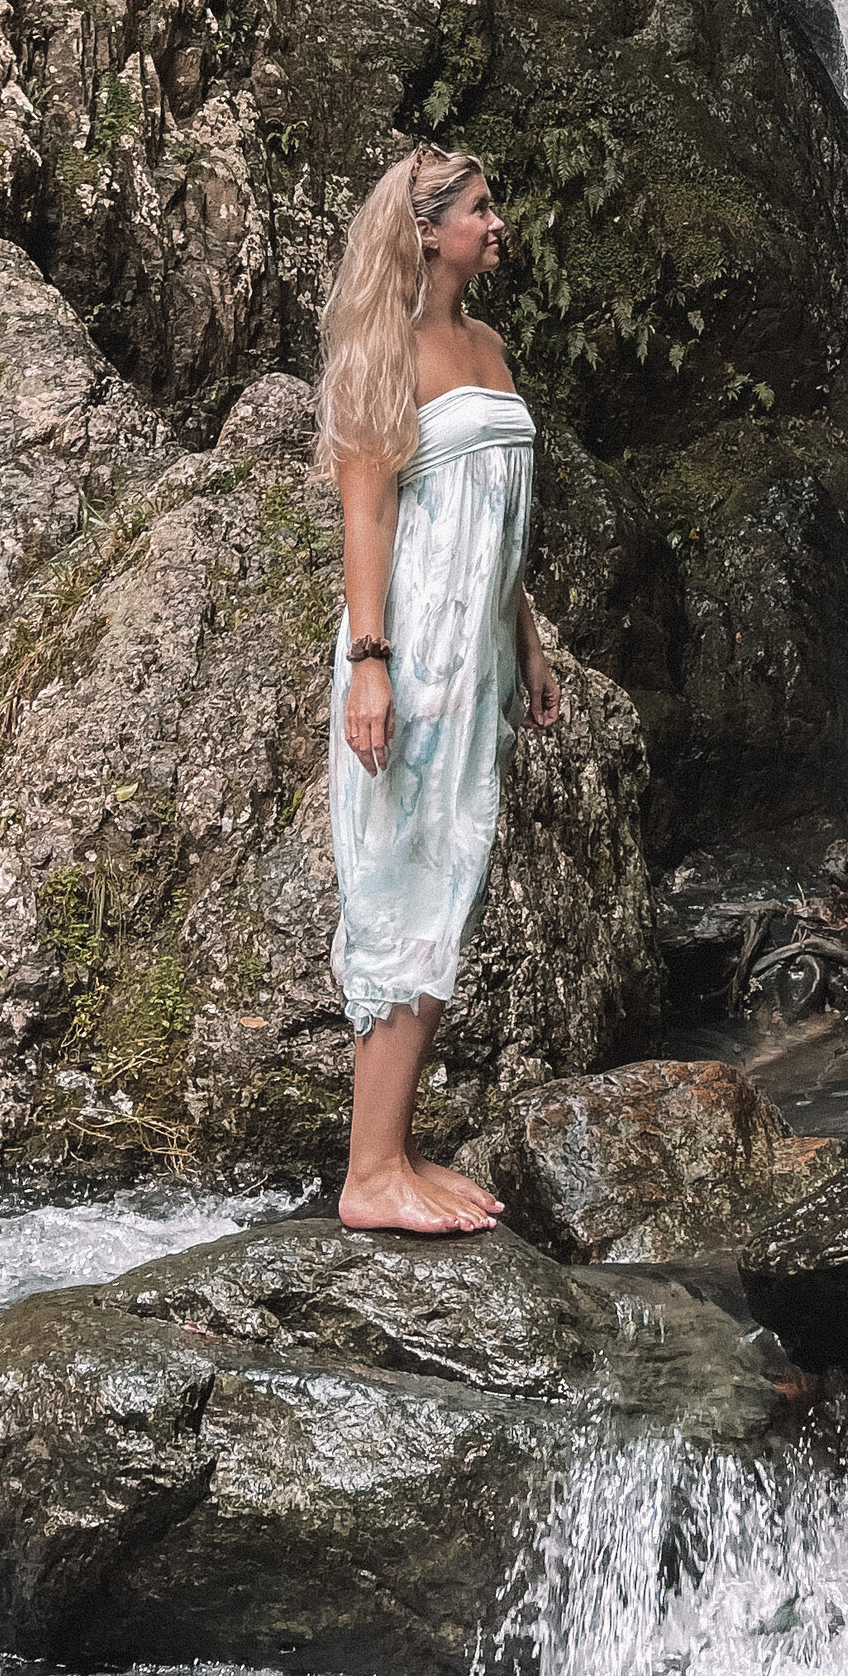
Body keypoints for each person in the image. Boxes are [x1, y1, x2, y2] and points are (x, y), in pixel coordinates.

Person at [316, 141, 561, 1232]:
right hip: (410, 655)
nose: (496, 223)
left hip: (479, 662)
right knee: (397, 886)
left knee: (444, 881)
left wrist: (530, 640)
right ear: (427, 230)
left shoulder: (489, 346)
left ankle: (394, 1154)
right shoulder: (386, 351)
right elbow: (366, 514)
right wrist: (371, 666)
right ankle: (370, 1176)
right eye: (480, 208)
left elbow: (498, 516)